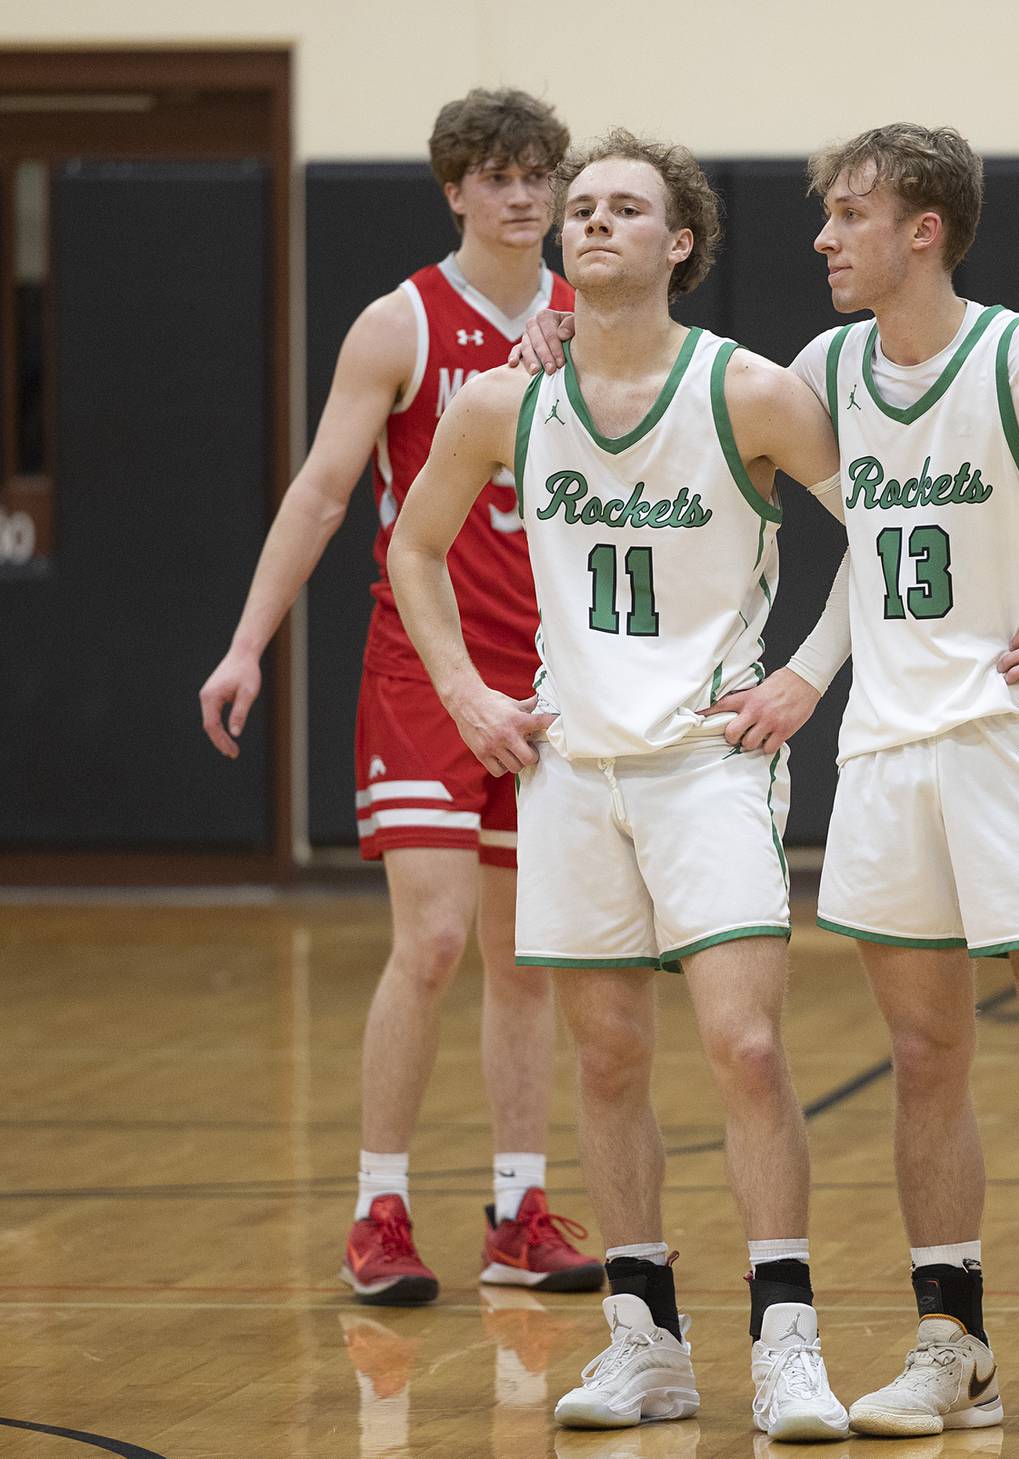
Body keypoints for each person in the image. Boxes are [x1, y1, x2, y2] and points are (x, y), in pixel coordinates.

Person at [516, 120, 1019, 1449]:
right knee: (923, 1057)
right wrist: (556, 339)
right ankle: (949, 1341)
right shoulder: (825, 369)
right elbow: (686, 410)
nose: (823, 238)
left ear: (924, 230)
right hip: (886, 760)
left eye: (849, 215)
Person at [387, 129, 851, 1441]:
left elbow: (883, 539)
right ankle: (645, 1342)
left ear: (678, 241)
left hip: (709, 761)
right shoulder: (501, 400)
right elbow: (415, 550)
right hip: (570, 767)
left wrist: (805, 676)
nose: (590, 222)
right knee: (605, 1055)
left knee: (746, 1047)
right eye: (577, 207)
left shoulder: (751, 391)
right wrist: (472, 694)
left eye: (623, 208)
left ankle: (788, 1343)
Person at [199, 87, 601, 1304]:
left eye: (541, 174)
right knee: (429, 943)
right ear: (456, 190)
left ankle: (518, 1212)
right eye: (498, 175)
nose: (524, 195)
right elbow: (324, 492)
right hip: (424, 669)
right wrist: (246, 644)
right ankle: (379, 1206)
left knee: (526, 958)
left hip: (548, 681)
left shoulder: (594, 320)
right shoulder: (400, 323)